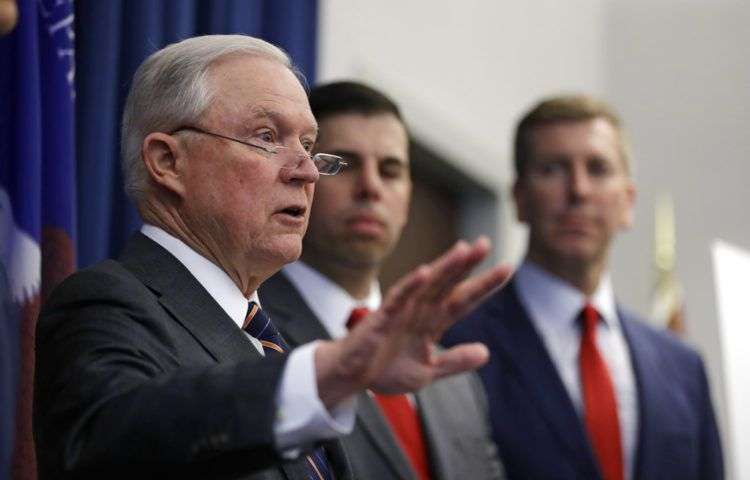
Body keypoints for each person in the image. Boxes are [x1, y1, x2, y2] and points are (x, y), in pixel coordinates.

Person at [32, 35, 510, 479]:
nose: (307, 172)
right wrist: (329, 377)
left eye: (307, 145)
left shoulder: (266, 337)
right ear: (167, 162)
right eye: (266, 136)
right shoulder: (106, 303)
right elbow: (109, 441)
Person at [442, 94, 724, 480]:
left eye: (598, 168)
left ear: (628, 202)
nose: (579, 190)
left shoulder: (683, 368)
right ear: (520, 198)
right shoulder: (458, 346)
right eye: (553, 169)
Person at [259, 81, 505, 480]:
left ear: (408, 196)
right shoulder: (252, 331)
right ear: (303, 175)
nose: (371, 187)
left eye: (390, 170)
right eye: (345, 164)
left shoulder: (455, 381)